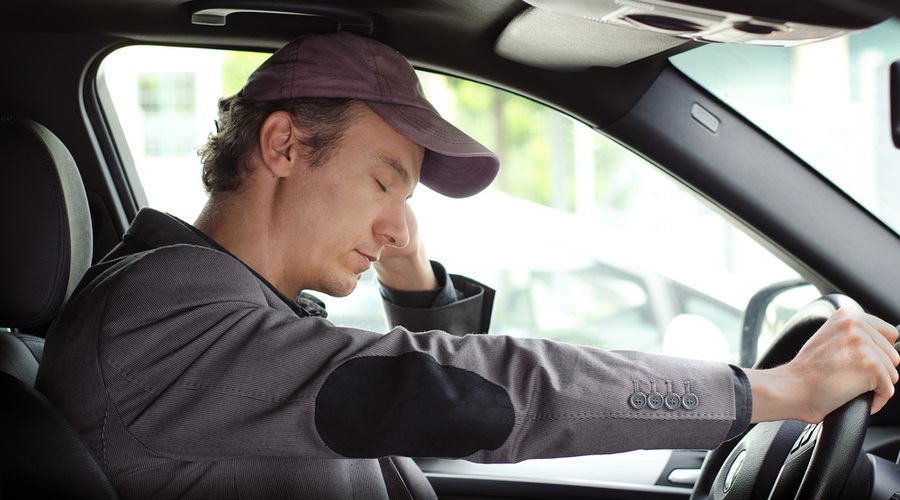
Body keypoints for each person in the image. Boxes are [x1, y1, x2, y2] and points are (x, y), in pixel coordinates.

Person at [36, 32, 899, 499]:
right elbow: (450, 391)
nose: (395, 221)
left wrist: (406, 269)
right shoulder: (159, 321)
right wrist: (766, 393)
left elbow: (379, 409)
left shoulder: (219, 304)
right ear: (284, 143)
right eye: (384, 179)